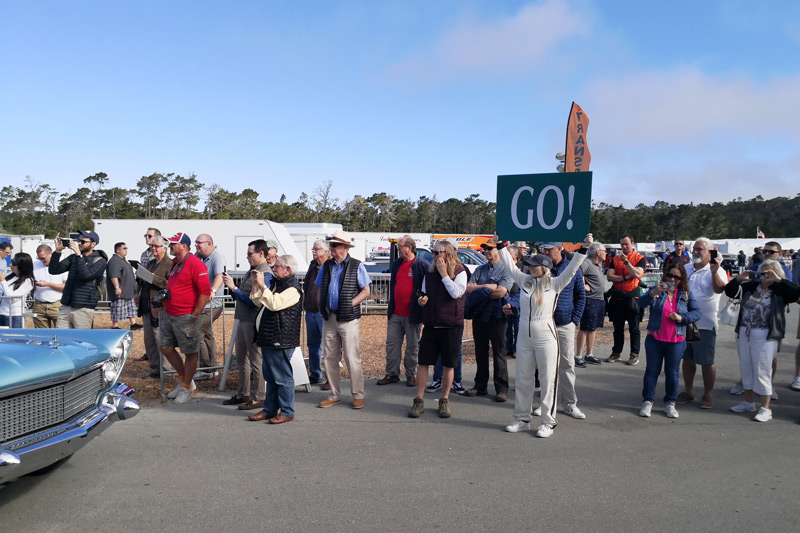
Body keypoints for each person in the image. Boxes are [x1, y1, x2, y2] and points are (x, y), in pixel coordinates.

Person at [499, 244, 585, 438]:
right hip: (523, 335)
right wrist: (500, 246)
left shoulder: (555, 283)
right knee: (523, 378)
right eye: (528, 265)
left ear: (544, 267)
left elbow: (572, 270)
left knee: (548, 380)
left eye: (533, 266)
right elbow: (510, 267)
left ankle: (548, 422)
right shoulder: (525, 281)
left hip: (546, 335)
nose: (529, 268)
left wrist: (584, 250)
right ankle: (522, 419)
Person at [725, 260, 800, 422]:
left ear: (776, 274)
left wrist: (779, 280)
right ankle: (748, 402)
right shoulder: (751, 287)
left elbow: (796, 292)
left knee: (762, 370)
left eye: (769, 273)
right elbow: (730, 292)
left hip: (766, 335)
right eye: (762, 272)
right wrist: (739, 279)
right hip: (745, 332)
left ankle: (765, 408)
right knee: (746, 368)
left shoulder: (780, 290)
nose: (764, 275)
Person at [409, 240, 467, 418]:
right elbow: (425, 293)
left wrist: (444, 274)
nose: (433, 256)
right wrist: (422, 300)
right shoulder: (430, 272)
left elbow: (456, 293)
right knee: (423, 362)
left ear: (447, 253)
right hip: (432, 324)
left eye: (437, 253)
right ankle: (418, 400)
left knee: (449, 365)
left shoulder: (460, 272)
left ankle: (444, 400)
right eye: (433, 253)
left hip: (451, 325)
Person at [637, 263, 702, 419]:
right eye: (670, 275)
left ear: (681, 279)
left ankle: (670, 403)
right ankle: (648, 401)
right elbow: (639, 304)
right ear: (665, 275)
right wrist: (654, 293)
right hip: (655, 338)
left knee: (672, 373)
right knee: (652, 371)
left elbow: (697, 313)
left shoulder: (685, 294)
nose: (672, 279)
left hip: (677, 339)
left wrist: (681, 317)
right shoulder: (657, 289)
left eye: (677, 277)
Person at [315, 230, 371, 409]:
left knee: (351, 357)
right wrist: (322, 304)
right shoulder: (326, 266)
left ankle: (358, 394)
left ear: (345, 248)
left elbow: (366, 290)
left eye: (334, 245)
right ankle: (334, 394)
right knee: (329, 357)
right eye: (331, 245)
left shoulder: (357, 266)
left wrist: (350, 303)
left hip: (348, 318)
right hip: (329, 317)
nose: (330, 248)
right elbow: (319, 287)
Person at [248, 255, 303, 424]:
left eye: (277, 266)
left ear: (288, 269)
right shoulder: (276, 285)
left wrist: (264, 285)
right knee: (270, 377)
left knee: (282, 377)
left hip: (281, 338)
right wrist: (256, 284)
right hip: (269, 337)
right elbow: (258, 301)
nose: (273, 268)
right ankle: (269, 409)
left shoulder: (293, 289)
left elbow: (274, 304)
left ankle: (287, 411)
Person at [157, 232, 211, 404]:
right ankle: (185, 380)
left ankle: (186, 387)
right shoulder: (175, 263)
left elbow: (205, 292)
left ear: (184, 246)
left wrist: (195, 313)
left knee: (190, 352)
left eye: (173, 244)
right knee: (165, 348)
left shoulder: (196, 264)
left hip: (187, 316)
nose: (170, 246)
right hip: (171, 314)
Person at [675, 238, 727, 409]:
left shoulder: (717, 270)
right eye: (694, 248)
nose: (696, 251)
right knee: (687, 359)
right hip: (684, 321)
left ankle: (708, 394)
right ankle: (689, 392)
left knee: (706, 361)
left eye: (700, 249)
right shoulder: (686, 268)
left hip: (705, 323)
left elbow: (720, 289)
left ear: (709, 252)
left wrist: (713, 272)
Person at [222, 239, 271, 410]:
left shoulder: (265, 274)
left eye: (250, 253)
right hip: (244, 320)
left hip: (253, 322)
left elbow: (254, 303)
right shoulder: (252, 271)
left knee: (256, 359)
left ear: (261, 254)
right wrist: (233, 289)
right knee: (242, 358)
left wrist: (234, 288)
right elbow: (243, 297)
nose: (247, 256)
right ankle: (244, 393)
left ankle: (259, 396)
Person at [464, 239, 514, 402]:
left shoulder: (506, 270)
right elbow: (468, 289)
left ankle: (501, 389)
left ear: (498, 250)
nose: (486, 251)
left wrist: (479, 290)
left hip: (497, 316)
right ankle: (480, 386)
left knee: (499, 352)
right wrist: (488, 287)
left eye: (490, 248)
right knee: (480, 351)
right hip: (479, 315)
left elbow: (501, 292)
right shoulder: (480, 269)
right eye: (485, 248)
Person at [541, 242, 586, 419]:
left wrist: (574, 320)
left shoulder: (572, 268)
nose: (545, 252)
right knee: (546, 367)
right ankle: (546, 405)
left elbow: (581, 296)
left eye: (549, 249)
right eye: (543, 249)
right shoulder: (542, 269)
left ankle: (569, 404)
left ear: (559, 249)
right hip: (546, 324)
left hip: (565, 323)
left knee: (567, 366)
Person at [378, 235, 429, 387]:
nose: (398, 249)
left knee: (412, 346)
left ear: (409, 248)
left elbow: (428, 288)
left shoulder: (422, 265)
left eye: (400, 246)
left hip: (413, 314)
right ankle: (392, 373)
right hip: (395, 313)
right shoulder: (396, 264)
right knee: (392, 344)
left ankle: (411, 375)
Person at [49, 230, 108, 329]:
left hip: (83, 308)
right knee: (61, 339)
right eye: (78, 240)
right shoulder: (73, 258)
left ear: (93, 244)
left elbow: (86, 276)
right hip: (66, 306)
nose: (79, 243)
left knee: (81, 340)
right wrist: (57, 251)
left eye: (83, 242)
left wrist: (78, 255)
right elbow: (54, 270)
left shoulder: (100, 261)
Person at [606, 234, 646, 365]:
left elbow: (637, 274)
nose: (624, 247)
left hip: (632, 297)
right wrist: (624, 277)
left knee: (634, 328)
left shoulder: (640, 258)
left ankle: (634, 354)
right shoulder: (615, 259)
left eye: (626, 244)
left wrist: (627, 263)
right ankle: (616, 352)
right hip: (618, 296)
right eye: (622, 244)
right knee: (618, 328)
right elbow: (610, 277)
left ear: (632, 244)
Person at [139, 236, 172, 378]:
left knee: (161, 338)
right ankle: (155, 368)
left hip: (160, 306)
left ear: (164, 247)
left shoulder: (170, 263)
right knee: (149, 339)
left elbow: (169, 283)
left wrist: (152, 277)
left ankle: (167, 369)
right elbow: (142, 280)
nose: (153, 248)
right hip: (147, 304)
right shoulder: (151, 263)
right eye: (152, 246)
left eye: (156, 246)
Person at [194, 233, 226, 380]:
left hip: (214, 304)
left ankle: (206, 368)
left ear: (209, 243)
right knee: (206, 334)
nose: (196, 245)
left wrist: (212, 290)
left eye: (199, 243)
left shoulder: (217, 257)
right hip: (202, 304)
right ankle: (212, 367)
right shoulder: (197, 256)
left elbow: (220, 276)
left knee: (197, 332)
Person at [575, 241, 608, 366]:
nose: (606, 254)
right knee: (585, 328)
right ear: (598, 252)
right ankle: (578, 356)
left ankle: (589, 354)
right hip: (590, 299)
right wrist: (583, 286)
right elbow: (577, 273)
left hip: (599, 299)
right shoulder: (587, 262)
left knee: (593, 328)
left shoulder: (598, 264)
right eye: (604, 251)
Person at [304, 240, 329, 386]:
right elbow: (308, 284)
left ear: (326, 251)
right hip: (311, 310)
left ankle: (330, 378)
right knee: (313, 345)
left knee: (329, 347)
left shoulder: (331, 266)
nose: (314, 251)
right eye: (313, 249)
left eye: (317, 249)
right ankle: (315, 373)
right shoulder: (313, 265)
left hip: (324, 312)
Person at [106, 242, 140, 330]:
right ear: (118, 250)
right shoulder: (114, 261)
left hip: (128, 291)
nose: (126, 250)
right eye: (124, 248)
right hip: (120, 291)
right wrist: (117, 287)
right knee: (117, 308)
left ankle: (133, 324)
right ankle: (115, 326)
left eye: (126, 248)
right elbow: (114, 275)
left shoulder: (123, 260)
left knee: (131, 309)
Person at [32, 244, 68, 328]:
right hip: (39, 305)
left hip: (57, 304)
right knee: (42, 336)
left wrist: (48, 284)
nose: (42, 261)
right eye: (39, 258)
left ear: (50, 254)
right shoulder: (35, 265)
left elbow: (66, 287)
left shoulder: (62, 265)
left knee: (60, 334)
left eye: (43, 258)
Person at [0, 253, 35, 328]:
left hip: (14, 316)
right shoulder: (9, 276)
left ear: (22, 265)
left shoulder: (28, 281)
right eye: (11, 261)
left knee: (14, 338)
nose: (11, 265)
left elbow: (12, 298)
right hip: (2, 313)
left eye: (14, 263)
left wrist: (3, 281)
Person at [504, 244, 521, 358]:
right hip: (506, 297)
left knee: (518, 326)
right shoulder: (504, 267)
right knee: (506, 326)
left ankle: (516, 348)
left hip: (519, 299)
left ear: (515, 254)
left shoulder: (523, 267)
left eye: (509, 253)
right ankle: (508, 347)